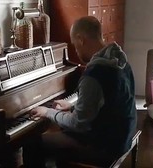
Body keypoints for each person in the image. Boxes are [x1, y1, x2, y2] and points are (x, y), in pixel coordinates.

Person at [22, 16, 137, 168]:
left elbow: (79, 124)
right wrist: (72, 108)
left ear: (81, 39)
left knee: (32, 144)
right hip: (123, 133)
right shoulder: (120, 60)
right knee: (61, 126)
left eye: (75, 45)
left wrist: (48, 112)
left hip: (106, 146)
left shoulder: (95, 74)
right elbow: (107, 105)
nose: (76, 50)